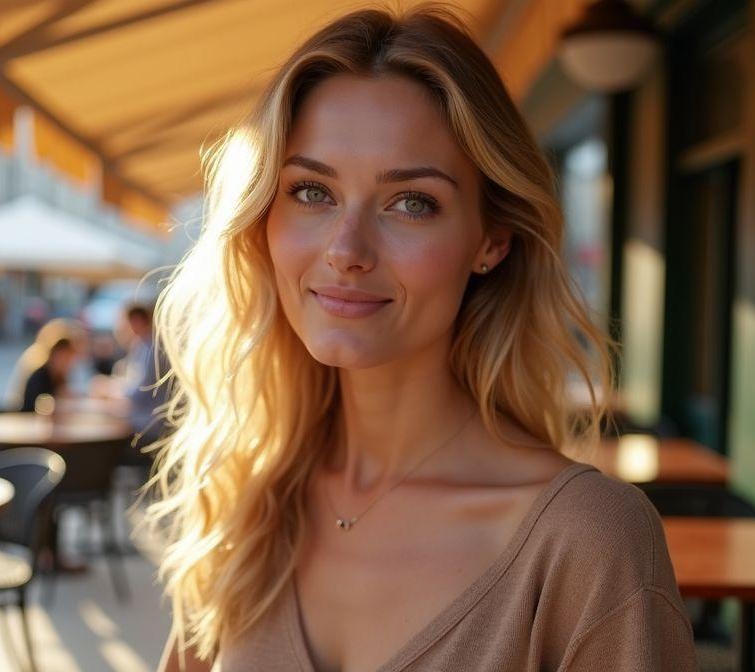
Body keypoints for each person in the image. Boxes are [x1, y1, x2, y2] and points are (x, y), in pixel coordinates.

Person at [149, 5, 697, 672]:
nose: (346, 250)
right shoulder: (247, 502)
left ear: (491, 240)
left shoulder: (587, 542)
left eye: (411, 202)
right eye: (311, 191)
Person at [19, 336, 78, 412]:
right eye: (66, 358)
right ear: (55, 355)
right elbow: (35, 406)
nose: (68, 364)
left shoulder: (59, 376)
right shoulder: (39, 377)